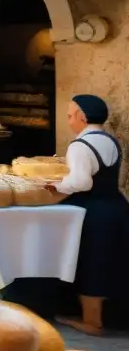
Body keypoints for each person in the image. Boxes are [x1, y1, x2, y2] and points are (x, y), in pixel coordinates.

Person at [49, 95, 129, 336]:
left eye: (70, 115)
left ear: (82, 117)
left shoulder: (80, 145)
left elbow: (82, 182)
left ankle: (92, 322)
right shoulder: (111, 141)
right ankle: (113, 316)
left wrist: (56, 184)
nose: (69, 120)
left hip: (92, 211)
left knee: (89, 261)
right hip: (116, 207)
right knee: (111, 261)